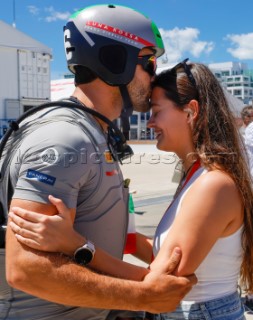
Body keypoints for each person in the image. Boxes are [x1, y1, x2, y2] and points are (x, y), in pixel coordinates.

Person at [9, 59, 253, 320]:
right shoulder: (197, 177)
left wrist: (76, 245)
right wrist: (126, 236)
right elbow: (169, 254)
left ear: (191, 111)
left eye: (157, 111)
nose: (150, 123)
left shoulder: (213, 185)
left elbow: (160, 282)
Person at [1, 4, 196, 320]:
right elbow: (25, 269)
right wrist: (142, 297)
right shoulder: (65, 138)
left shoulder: (91, 132)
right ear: (114, 59)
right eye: (148, 61)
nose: (155, 74)